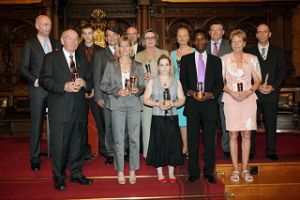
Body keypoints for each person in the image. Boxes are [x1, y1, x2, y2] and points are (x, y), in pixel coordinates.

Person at [39, 29, 93, 190]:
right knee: (60, 145)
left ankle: (76, 174)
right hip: (60, 110)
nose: (73, 41)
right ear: (62, 41)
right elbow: (44, 80)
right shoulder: (51, 58)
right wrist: (63, 86)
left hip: (79, 110)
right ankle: (59, 176)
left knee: (78, 144)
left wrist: (84, 83)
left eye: (76, 39)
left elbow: (91, 81)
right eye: (69, 38)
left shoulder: (83, 60)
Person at [180, 29, 223, 184]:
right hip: (192, 104)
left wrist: (211, 94)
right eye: (196, 39)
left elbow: (220, 83)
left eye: (202, 39)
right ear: (193, 42)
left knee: (210, 141)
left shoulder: (216, 61)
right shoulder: (185, 60)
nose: (199, 42)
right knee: (192, 140)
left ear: (206, 41)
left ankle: (209, 172)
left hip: (210, 105)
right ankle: (193, 171)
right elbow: (183, 81)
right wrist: (190, 92)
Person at [100, 35, 145, 184]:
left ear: (131, 48)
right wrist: (118, 90)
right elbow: (103, 85)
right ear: (118, 48)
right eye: (122, 46)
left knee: (134, 139)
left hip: (133, 104)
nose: (125, 49)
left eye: (128, 45)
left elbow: (142, 86)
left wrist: (136, 90)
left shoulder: (138, 65)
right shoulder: (111, 64)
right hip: (117, 104)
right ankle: (120, 171)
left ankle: (132, 170)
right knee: (118, 140)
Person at [20, 15, 61, 171]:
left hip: (55, 91)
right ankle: (35, 158)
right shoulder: (29, 44)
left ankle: (58, 154)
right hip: (38, 90)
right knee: (37, 125)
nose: (48, 27)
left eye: (49, 24)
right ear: (37, 26)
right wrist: (35, 81)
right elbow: (23, 68)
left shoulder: (56, 43)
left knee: (58, 123)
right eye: (45, 24)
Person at [221, 29, 261, 183]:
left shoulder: (252, 59)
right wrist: (231, 92)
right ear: (231, 43)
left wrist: (249, 91)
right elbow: (219, 82)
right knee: (232, 134)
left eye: (239, 41)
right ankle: (235, 169)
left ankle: (245, 168)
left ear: (244, 43)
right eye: (234, 41)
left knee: (247, 134)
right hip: (231, 99)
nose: (236, 44)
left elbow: (257, 80)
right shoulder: (224, 59)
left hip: (248, 99)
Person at [247, 23, 286, 161]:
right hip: (254, 94)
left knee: (271, 123)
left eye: (265, 31)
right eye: (259, 32)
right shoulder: (249, 52)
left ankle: (271, 150)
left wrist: (273, 87)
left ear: (269, 34)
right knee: (251, 124)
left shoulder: (278, 51)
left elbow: (282, 73)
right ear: (256, 35)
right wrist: (254, 86)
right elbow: (246, 73)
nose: (262, 34)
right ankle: (250, 150)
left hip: (271, 94)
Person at [144, 54, 185, 183]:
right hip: (158, 117)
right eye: (162, 65)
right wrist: (157, 104)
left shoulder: (176, 81)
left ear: (170, 67)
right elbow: (145, 99)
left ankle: (171, 173)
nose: (164, 67)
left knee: (172, 144)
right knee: (159, 143)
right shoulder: (152, 81)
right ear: (158, 67)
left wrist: (173, 103)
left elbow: (182, 99)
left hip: (172, 117)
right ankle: (160, 173)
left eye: (167, 65)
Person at [135, 29, 169, 158]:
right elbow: (135, 76)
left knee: (162, 124)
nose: (150, 40)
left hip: (161, 93)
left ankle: (163, 151)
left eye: (152, 37)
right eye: (147, 38)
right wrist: (142, 76)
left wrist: (155, 76)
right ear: (143, 40)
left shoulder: (164, 53)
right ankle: (148, 152)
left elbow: (169, 73)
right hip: (145, 95)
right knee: (147, 125)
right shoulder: (138, 56)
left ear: (156, 39)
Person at [93, 24, 120, 164]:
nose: (111, 37)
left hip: (123, 95)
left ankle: (123, 150)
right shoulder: (99, 54)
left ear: (119, 36)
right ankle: (110, 152)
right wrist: (98, 96)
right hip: (106, 95)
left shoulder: (125, 51)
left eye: (114, 34)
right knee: (109, 124)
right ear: (105, 38)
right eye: (108, 35)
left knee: (122, 125)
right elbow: (96, 76)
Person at [77, 24, 104, 161]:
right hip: (81, 91)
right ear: (82, 35)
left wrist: (93, 88)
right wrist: (86, 87)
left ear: (93, 34)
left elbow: (102, 72)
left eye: (90, 33)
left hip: (97, 91)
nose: (88, 36)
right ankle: (85, 151)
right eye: (85, 33)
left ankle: (104, 149)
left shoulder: (101, 50)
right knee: (82, 122)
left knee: (100, 121)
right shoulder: (77, 49)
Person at [207, 21, 232, 159]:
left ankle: (226, 147)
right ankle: (210, 148)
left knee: (225, 120)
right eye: (213, 30)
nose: (216, 32)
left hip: (225, 89)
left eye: (219, 29)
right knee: (209, 121)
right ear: (209, 33)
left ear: (223, 32)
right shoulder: (203, 46)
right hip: (208, 91)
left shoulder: (230, 46)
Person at [170, 27, 194, 158]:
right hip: (178, 90)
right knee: (182, 120)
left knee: (192, 119)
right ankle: (185, 145)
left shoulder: (195, 52)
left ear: (189, 37)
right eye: (180, 36)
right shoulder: (172, 54)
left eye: (185, 35)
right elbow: (172, 74)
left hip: (192, 90)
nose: (182, 38)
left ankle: (192, 145)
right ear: (176, 38)